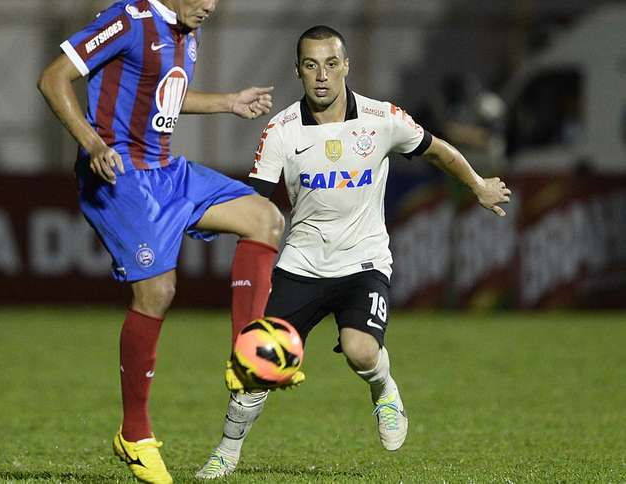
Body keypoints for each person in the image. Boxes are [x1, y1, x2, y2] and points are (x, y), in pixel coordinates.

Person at [196, 25, 511, 479]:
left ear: (346, 66)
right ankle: (227, 450)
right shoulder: (281, 130)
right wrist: (205, 218)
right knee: (259, 362)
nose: (321, 76)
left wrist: (478, 184)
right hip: (301, 263)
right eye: (310, 65)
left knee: (361, 350)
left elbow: (436, 149)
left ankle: (385, 391)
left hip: (363, 261)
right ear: (297, 71)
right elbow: (255, 204)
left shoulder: (382, 119)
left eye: (330, 63)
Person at [37, 0, 286, 484]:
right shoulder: (128, 19)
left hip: (167, 172)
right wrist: (92, 144)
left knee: (265, 219)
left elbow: (163, 98)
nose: (210, 6)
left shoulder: (184, 33)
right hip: (119, 174)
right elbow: (54, 77)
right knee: (158, 291)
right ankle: (134, 434)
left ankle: (246, 357)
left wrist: (226, 102)